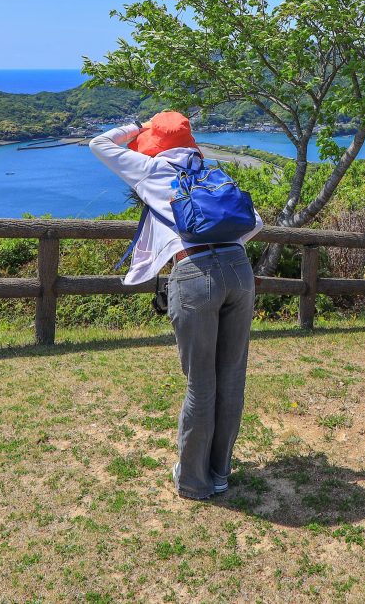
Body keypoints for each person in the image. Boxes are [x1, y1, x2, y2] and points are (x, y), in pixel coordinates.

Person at [90, 111, 262, 501]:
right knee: (231, 377)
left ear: (154, 142)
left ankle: (194, 481)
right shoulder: (211, 171)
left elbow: (98, 144)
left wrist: (134, 125)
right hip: (240, 271)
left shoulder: (151, 168)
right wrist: (226, 253)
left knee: (200, 382)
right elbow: (256, 222)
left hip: (195, 271)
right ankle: (219, 473)